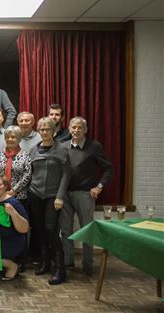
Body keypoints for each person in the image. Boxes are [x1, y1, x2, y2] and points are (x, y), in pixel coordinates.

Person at [60, 116, 114, 276]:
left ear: (85, 130)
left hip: (85, 194)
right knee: (65, 231)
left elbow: (109, 169)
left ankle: (87, 265)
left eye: (80, 128)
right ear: (69, 129)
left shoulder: (94, 146)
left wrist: (99, 187)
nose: (76, 130)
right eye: (73, 127)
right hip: (64, 194)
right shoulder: (63, 146)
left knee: (86, 230)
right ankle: (68, 262)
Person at [28, 117, 70, 285]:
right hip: (35, 194)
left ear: (53, 131)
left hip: (53, 196)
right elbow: (30, 172)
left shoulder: (61, 150)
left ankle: (60, 269)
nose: (44, 132)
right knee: (39, 229)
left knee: (51, 229)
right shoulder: (33, 150)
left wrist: (60, 196)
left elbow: (67, 175)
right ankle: (45, 263)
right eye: (42, 129)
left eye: (47, 129)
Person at [0, 126, 31, 204]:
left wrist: (14, 190)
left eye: (13, 137)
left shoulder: (25, 155)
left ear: (19, 139)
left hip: (19, 196)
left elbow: (27, 175)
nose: (10, 139)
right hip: (0, 195)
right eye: (7, 137)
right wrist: (0, 190)